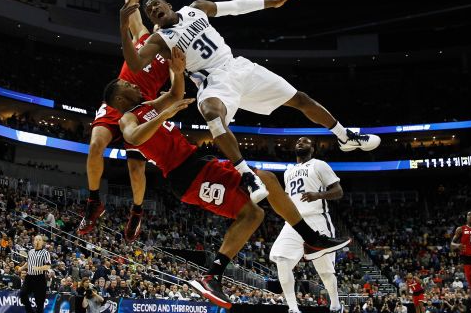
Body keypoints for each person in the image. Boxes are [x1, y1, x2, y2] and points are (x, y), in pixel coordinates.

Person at [106, 46, 350, 309]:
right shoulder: (127, 118)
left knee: (265, 181)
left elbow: (176, 94)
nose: (130, 83)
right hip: (187, 175)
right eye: (125, 84)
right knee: (253, 213)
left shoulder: (148, 105)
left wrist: (177, 73)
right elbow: (133, 138)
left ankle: (310, 240)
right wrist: (165, 115)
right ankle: (213, 276)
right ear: (120, 99)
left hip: (200, 163)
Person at [118, 0, 380, 203]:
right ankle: (246, 175)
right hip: (214, 82)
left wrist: (272, 3)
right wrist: (122, 27)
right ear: (152, 19)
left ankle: (346, 136)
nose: (154, 9)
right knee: (211, 113)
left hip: (238, 67)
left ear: (168, 3)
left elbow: (234, 6)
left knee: (300, 99)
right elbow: (136, 63)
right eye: (150, 10)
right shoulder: (159, 40)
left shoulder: (196, 7)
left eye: (156, 4)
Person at [79, 0, 172, 241]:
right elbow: (130, 4)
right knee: (96, 145)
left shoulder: (172, 53)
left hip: (142, 108)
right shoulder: (142, 34)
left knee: (135, 168)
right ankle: (94, 202)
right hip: (118, 99)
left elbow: (173, 88)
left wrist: (165, 106)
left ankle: (137, 211)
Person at [269, 137, 345, 313]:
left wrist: (317, 195)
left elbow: (338, 191)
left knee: (324, 271)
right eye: (298, 141)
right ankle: (293, 309)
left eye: (305, 141)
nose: (300, 143)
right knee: (281, 259)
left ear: (313, 149)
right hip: (294, 221)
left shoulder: (319, 165)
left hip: (317, 220)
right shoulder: (288, 172)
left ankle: (335, 305)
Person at [20, 235, 52, 313]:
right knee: (23, 293)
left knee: (39, 303)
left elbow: (48, 266)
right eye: (36, 240)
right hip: (29, 278)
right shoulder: (30, 251)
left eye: (39, 240)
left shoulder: (45, 253)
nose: (37, 241)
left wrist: (38, 268)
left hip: (39, 279)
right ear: (33, 242)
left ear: (42, 242)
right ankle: (30, 311)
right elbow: (28, 263)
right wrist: (21, 268)